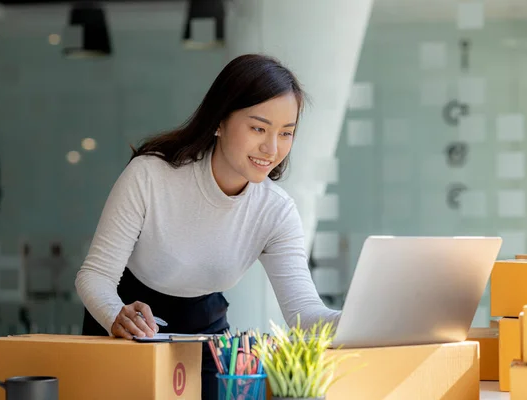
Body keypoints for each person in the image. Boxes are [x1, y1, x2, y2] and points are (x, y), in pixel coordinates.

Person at [75, 53, 341, 399]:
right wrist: (114, 314)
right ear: (219, 121)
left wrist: (367, 321)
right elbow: (94, 276)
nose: (272, 148)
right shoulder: (150, 176)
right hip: (125, 321)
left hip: (204, 328)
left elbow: (304, 316)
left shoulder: (275, 211)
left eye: (286, 133)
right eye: (258, 128)